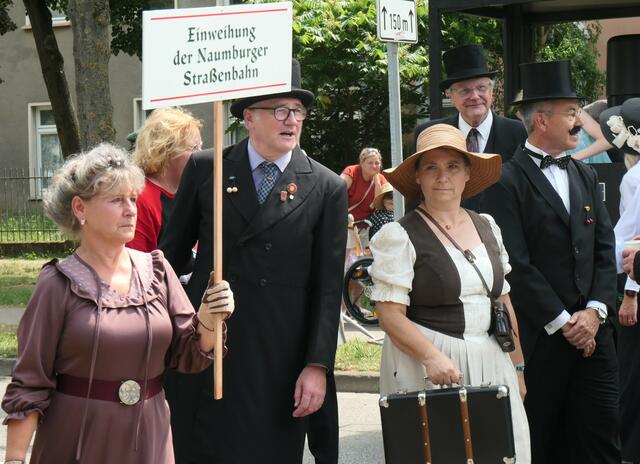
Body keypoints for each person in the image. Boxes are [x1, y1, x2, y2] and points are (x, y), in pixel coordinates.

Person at [159, 59, 347, 464]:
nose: (291, 120)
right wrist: (166, 332)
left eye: (298, 110)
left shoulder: (326, 186)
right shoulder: (207, 167)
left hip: (278, 356)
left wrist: (317, 365)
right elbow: (169, 260)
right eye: (279, 109)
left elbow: (328, 290)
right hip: (210, 347)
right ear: (248, 117)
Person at [1, 143, 233, 464]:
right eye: (116, 200)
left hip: (149, 436)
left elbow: (189, 354)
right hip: (77, 438)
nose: (130, 210)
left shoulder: (157, 270)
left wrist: (208, 316)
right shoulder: (57, 283)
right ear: (80, 208)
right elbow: (30, 381)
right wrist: (14, 458)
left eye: (133, 199)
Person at [483, 60, 620, 464]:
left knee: (601, 442)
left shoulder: (583, 174)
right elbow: (516, 265)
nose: (579, 122)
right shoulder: (506, 181)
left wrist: (594, 312)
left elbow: (603, 248)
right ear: (541, 119)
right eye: (571, 112)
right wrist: (565, 323)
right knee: (544, 443)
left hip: (596, 338)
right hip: (542, 342)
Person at [369, 123, 530, 461]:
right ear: (417, 176)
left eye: (453, 166)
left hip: (493, 358)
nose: (443, 177)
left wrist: (517, 368)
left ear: (467, 174)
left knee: (503, 451)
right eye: (432, 167)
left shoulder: (487, 225)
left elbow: (502, 300)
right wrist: (432, 357)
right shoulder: (399, 236)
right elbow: (389, 314)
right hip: (432, 367)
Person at [602, 98, 640, 464]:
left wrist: (630, 293)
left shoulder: (635, 176)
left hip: (634, 283)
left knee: (631, 374)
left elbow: (629, 241)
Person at [128, 107, 203, 252]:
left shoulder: (193, 191)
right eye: (194, 148)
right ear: (166, 150)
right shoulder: (142, 199)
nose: (201, 154)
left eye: (201, 147)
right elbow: (137, 260)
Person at [340, 147, 388, 221]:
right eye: (370, 163)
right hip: (345, 221)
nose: (374, 166)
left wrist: (377, 183)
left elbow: (379, 206)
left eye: (377, 163)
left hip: (367, 224)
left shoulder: (382, 179)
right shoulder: (351, 172)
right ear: (362, 163)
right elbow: (336, 192)